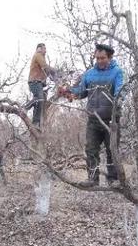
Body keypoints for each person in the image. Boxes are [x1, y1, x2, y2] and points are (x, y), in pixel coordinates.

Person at [66, 43, 124, 187]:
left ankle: (113, 179)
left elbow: (120, 91)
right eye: (97, 58)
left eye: (102, 58)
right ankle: (93, 178)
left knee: (112, 150)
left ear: (110, 57)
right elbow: (81, 92)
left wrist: (118, 99)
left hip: (111, 119)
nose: (99, 61)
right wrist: (69, 92)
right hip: (93, 118)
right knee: (91, 149)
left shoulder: (117, 72)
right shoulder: (89, 73)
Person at [27, 43, 57, 127]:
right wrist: (55, 70)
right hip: (34, 81)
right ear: (39, 49)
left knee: (39, 103)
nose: (45, 51)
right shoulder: (38, 55)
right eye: (44, 48)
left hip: (39, 82)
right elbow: (45, 66)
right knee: (39, 99)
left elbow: (46, 71)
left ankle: (36, 123)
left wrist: (54, 78)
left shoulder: (41, 58)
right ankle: (25, 108)